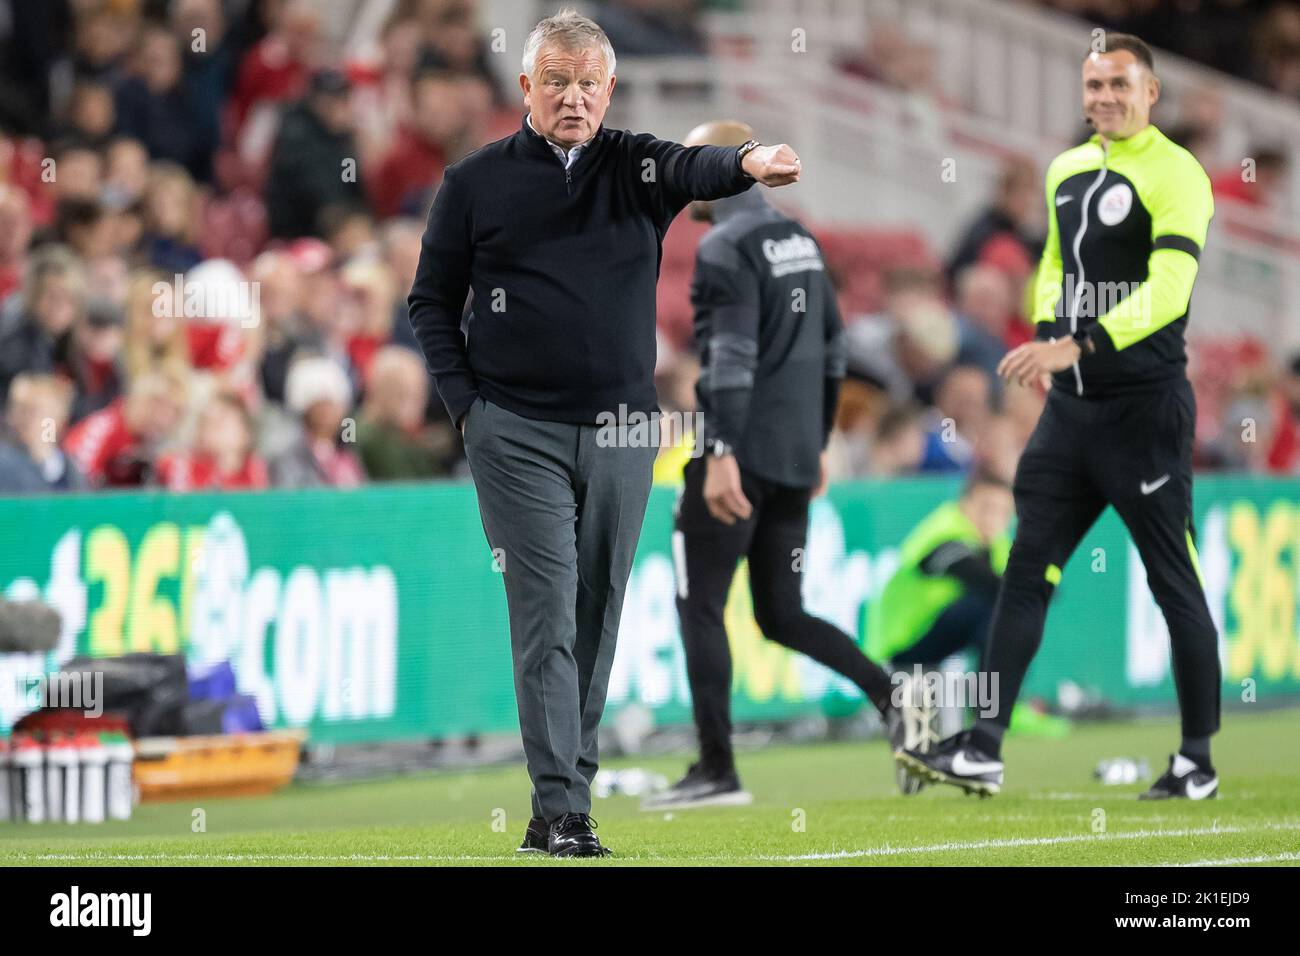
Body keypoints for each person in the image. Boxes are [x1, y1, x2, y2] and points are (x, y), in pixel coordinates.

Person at [407, 8, 801, 857]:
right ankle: (560, 811)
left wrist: (748, 161)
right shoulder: (474, 182)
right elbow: (430, 302)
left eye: (589, 84)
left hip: (625, 432)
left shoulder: (635, 165)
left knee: (598, 614)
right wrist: (466, 407)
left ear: (610, 89)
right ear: (526, 87)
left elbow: (696, 164)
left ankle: (567, 797)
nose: (574, 98)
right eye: (557, 81)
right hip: (514, 429)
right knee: (546, 610)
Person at [899, 35, 1220, 800]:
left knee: (1172, 580)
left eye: (1119, 83)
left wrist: (1080, 343)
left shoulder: (1178, 173)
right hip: (1071, 416)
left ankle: (1196, 760)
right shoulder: (1068, 170)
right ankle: (982, 748)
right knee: (1023, 572)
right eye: (1093, 83)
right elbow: (1054, 270)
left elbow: (1170, 289)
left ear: (1151, 93)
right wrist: (1048, 335)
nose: (1104, 96)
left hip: (1145, 413)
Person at [647, 119, 903, 811]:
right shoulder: (801, 240)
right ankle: (891, 694)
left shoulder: (723, 247)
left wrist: (721, 453)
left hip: (737, 455)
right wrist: (819, 442)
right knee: (781, 613)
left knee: (699, 603)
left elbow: (729, 361)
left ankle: (717, 770)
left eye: (696, 162)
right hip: (793, 455)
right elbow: (834, 350)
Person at [868, 471, 1012, 791]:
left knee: (1006, 612)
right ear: (965, 504)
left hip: (940, 642)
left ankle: (982, 717)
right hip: (905, 644)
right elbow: (979, 577)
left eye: (1003, 512)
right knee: (997, 608)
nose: (994, 519)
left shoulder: (996, 544)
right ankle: (986, 714)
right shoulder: (944, 530)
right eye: (986, 508)